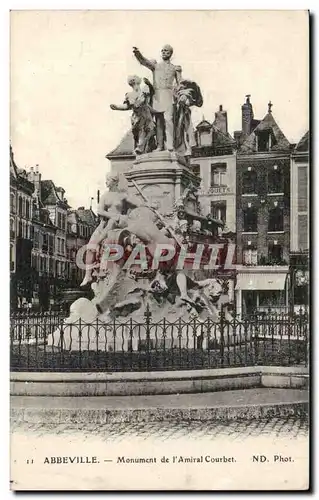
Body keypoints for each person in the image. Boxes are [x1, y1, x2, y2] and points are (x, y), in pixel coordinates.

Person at [133, 44, 182, 152]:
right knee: (159, 122)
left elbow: (180, 83)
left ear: (170, 53)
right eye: (163, 50)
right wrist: (137, 54)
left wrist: (179, 94)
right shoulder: (156, 66)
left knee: (168, 120)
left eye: (166, 51)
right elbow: (144, 61)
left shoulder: (175, 68)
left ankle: (170, 145)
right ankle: (160, 146)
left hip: (169, 95)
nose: (164, 52)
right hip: (158, 96)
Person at [110, 75, 155, 154]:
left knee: (147, 130)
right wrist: (117, 107)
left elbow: (152, 92)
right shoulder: (130, 95)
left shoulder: (144, 90)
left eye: (136, 83)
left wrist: (149, 84)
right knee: (139, 133)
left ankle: (141, 148)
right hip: (137, 116)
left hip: (145, 113)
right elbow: (127, 106)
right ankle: (141, 148)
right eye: (133, 83)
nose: (135, 85)